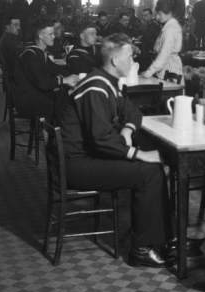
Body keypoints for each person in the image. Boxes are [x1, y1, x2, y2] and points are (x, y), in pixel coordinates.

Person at [61, 33, 170, 267]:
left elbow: (133, 111)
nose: (133, 62)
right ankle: (141, 249)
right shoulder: (96, 87)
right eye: (129, 56)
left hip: (87, 157)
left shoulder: (106, 82)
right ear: (114, 61)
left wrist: (128, 130)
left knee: (151, 165)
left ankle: (155, 237)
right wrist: (138, 154)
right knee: (150, 172)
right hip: (76, 165)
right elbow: (100, 139)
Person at [14, 20, 77, 122]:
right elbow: (42, 83)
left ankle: (56, 132)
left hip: (36, 95)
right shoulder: (30, 55)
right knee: (66, 102)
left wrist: (75, 76)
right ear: (40, 36)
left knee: (66, 96)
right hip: (27, 101)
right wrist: (64, 80)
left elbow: (57, 69)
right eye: (50, 34)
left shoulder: (40, 53)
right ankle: (57, 132)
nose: (54, 36)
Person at [140, 0, 183, 83]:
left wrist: (148, 72)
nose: (157, 17)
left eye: (159, 14)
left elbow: (164, 54)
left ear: (169, 13)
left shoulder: (171, 29)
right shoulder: (169, 27)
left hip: (169, 68)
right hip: (165, 66)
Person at [137, 7, 160, 71]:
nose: (144, 17)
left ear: (151, 15)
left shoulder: (155, 25)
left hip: (150, 52)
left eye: (146, 15)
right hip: (145, 51)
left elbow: (156, 39)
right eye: (143, 16)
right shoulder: (146, 25)